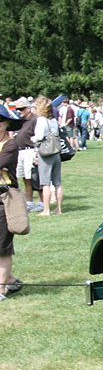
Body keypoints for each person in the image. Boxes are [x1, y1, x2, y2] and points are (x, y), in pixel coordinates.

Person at [0, 106, 26, 302]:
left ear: (7, 123)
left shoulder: (10, 145)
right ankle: (11, 280)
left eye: (0, 121)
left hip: (3, 200)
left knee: (3, 247)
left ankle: (2, 290)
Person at [31, 96, 62, 216]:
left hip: (46, 153)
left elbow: (39, 136)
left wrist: (31, 139)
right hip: (56, 152)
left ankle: (46, 209)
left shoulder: (41, 120)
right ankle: (58, 208)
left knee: (45, 183)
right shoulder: (53, 120)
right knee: (57, 183)